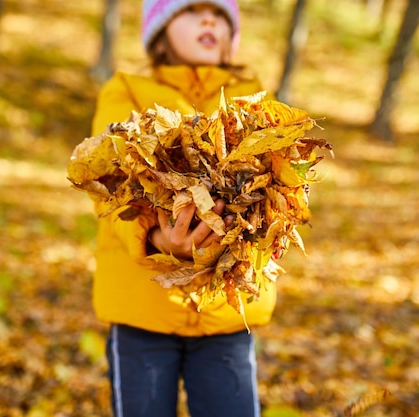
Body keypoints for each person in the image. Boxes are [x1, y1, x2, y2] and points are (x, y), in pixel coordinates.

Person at [88, 1, 278, 416]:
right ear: (159, 31)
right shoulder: (127, 92)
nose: (208, 19)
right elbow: (110, 187)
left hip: (227, 314)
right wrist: (155, 239)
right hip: (143, 308)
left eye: (219, 14)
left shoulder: (255, 99)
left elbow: (275, 187)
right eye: (192, 10)